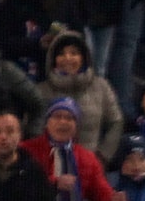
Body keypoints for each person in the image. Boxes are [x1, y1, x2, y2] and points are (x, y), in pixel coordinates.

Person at [20, 96, 121, 201]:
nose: (63, 122)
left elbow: (102, 195)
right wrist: (53, 184)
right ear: (47, 122)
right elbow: (20, 188)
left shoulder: (86, 159)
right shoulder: (26, 151)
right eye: (57, 116)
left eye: (69, 118)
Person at [35, 29, 124, 166]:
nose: (68, 58)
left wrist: (103, 156)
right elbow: (35, 129)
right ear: (53, 59)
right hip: (50, 166)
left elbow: (116, 121)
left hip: (91, 166)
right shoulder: (42, 90)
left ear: (84, 57)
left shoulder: (101, 86)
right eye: (61, 54)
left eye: (74, 53)